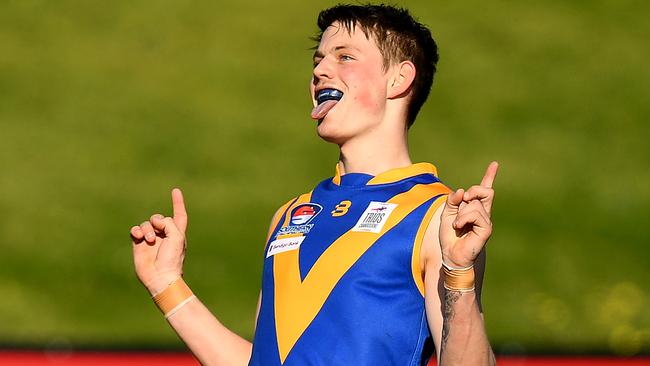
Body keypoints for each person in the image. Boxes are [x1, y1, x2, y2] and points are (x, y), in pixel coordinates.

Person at [130, 4, 497, 365]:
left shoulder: (437, 216)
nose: (321, 70)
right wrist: (167, 284)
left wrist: (459, 273)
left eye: (345, 57)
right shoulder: (291, 214)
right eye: (318, 60)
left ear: (398, 79)